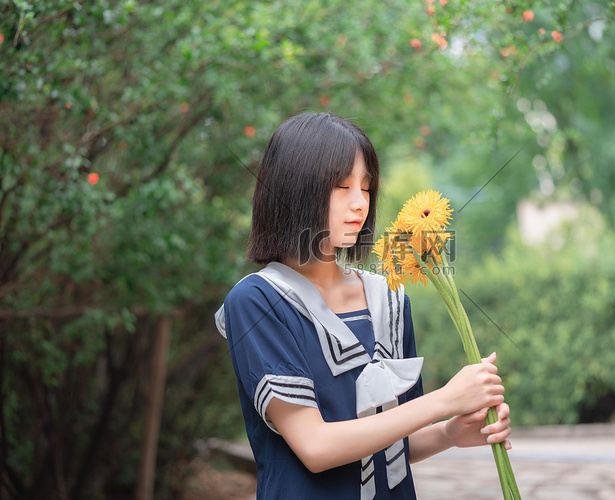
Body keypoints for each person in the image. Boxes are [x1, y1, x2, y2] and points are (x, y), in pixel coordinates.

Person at [215, 112, 511, 499]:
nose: (360, 204)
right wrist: (446, 399)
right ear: (293, 190)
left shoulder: (389, 297)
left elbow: (392, 441)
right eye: (342, 186)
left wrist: (450, 431)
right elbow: (316, 447)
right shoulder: (258, 301)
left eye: (366, 188)